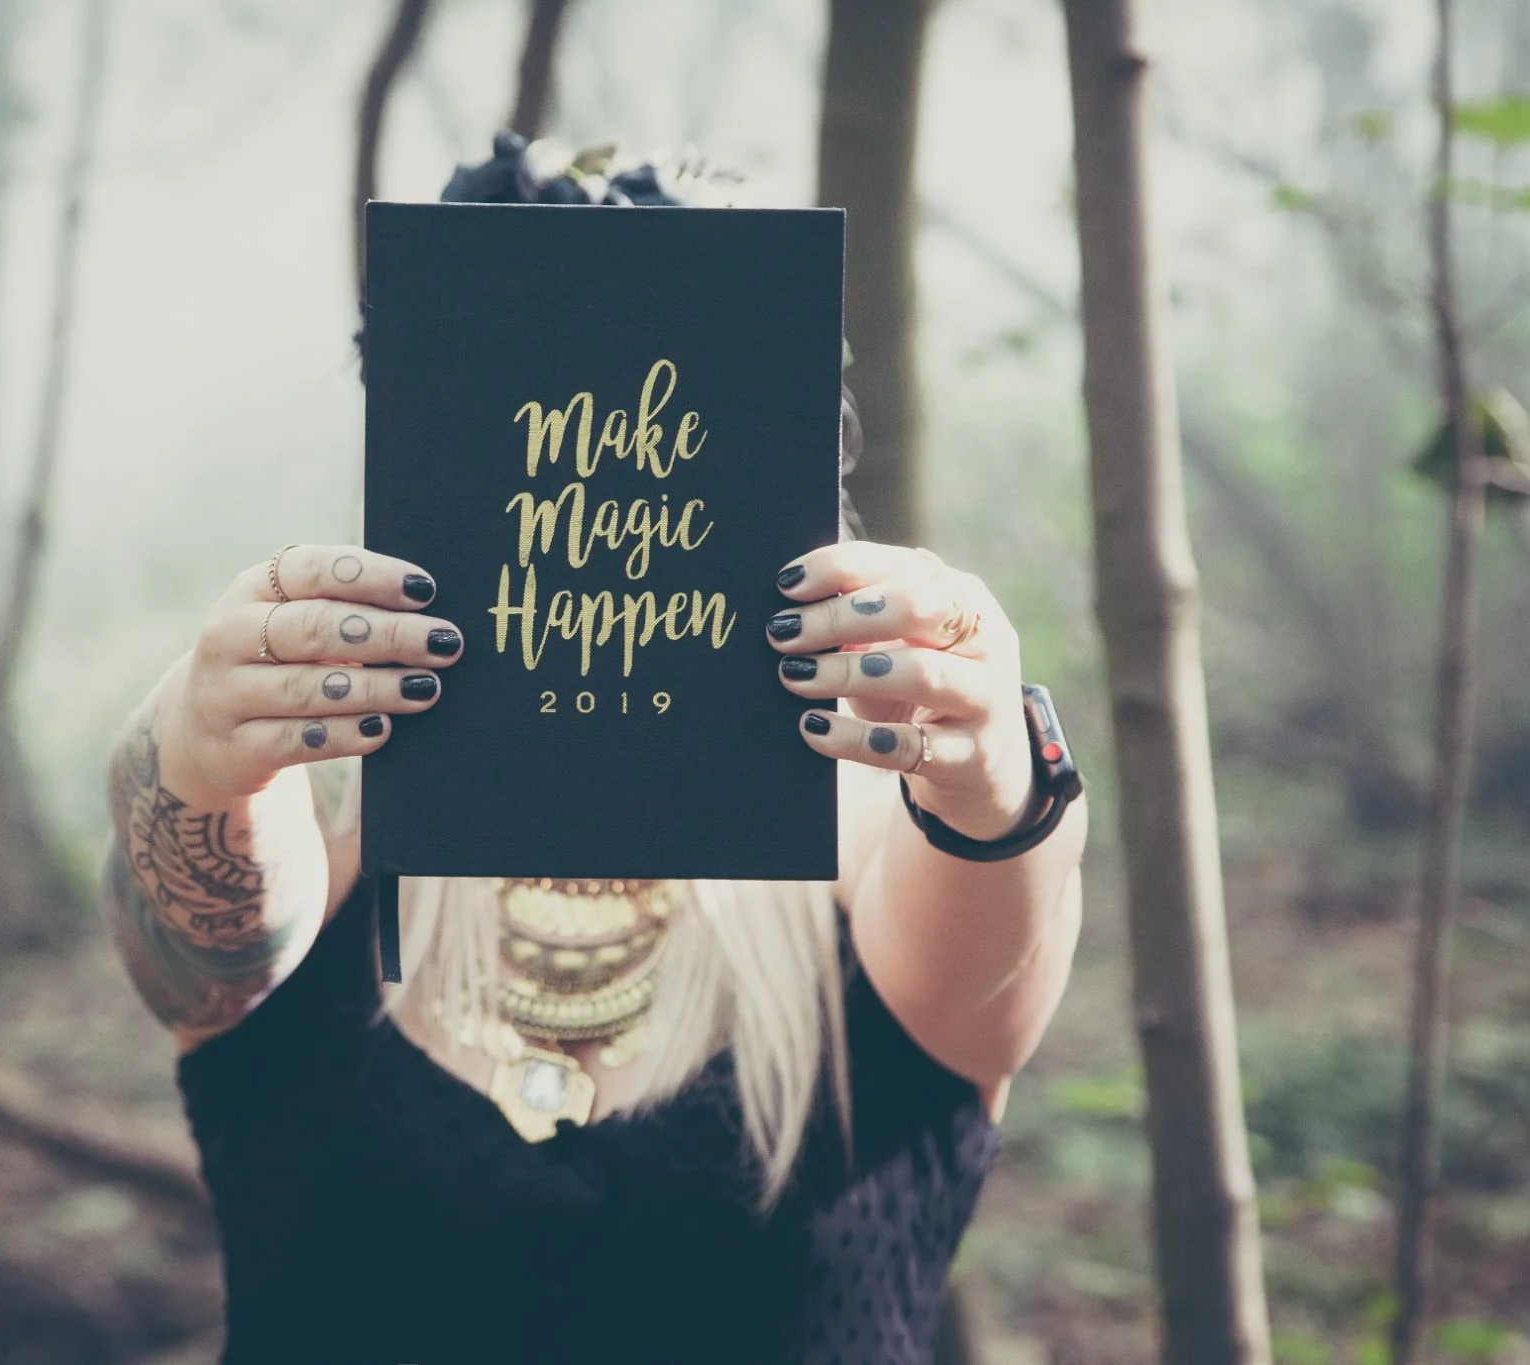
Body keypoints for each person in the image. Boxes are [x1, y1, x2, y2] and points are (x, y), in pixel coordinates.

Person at [101, 135, 1087, 1365]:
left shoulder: (875, 883)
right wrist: (192, 746)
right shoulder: (342, 870)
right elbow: (197, 961)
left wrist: (996, 760)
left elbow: (994, 884)